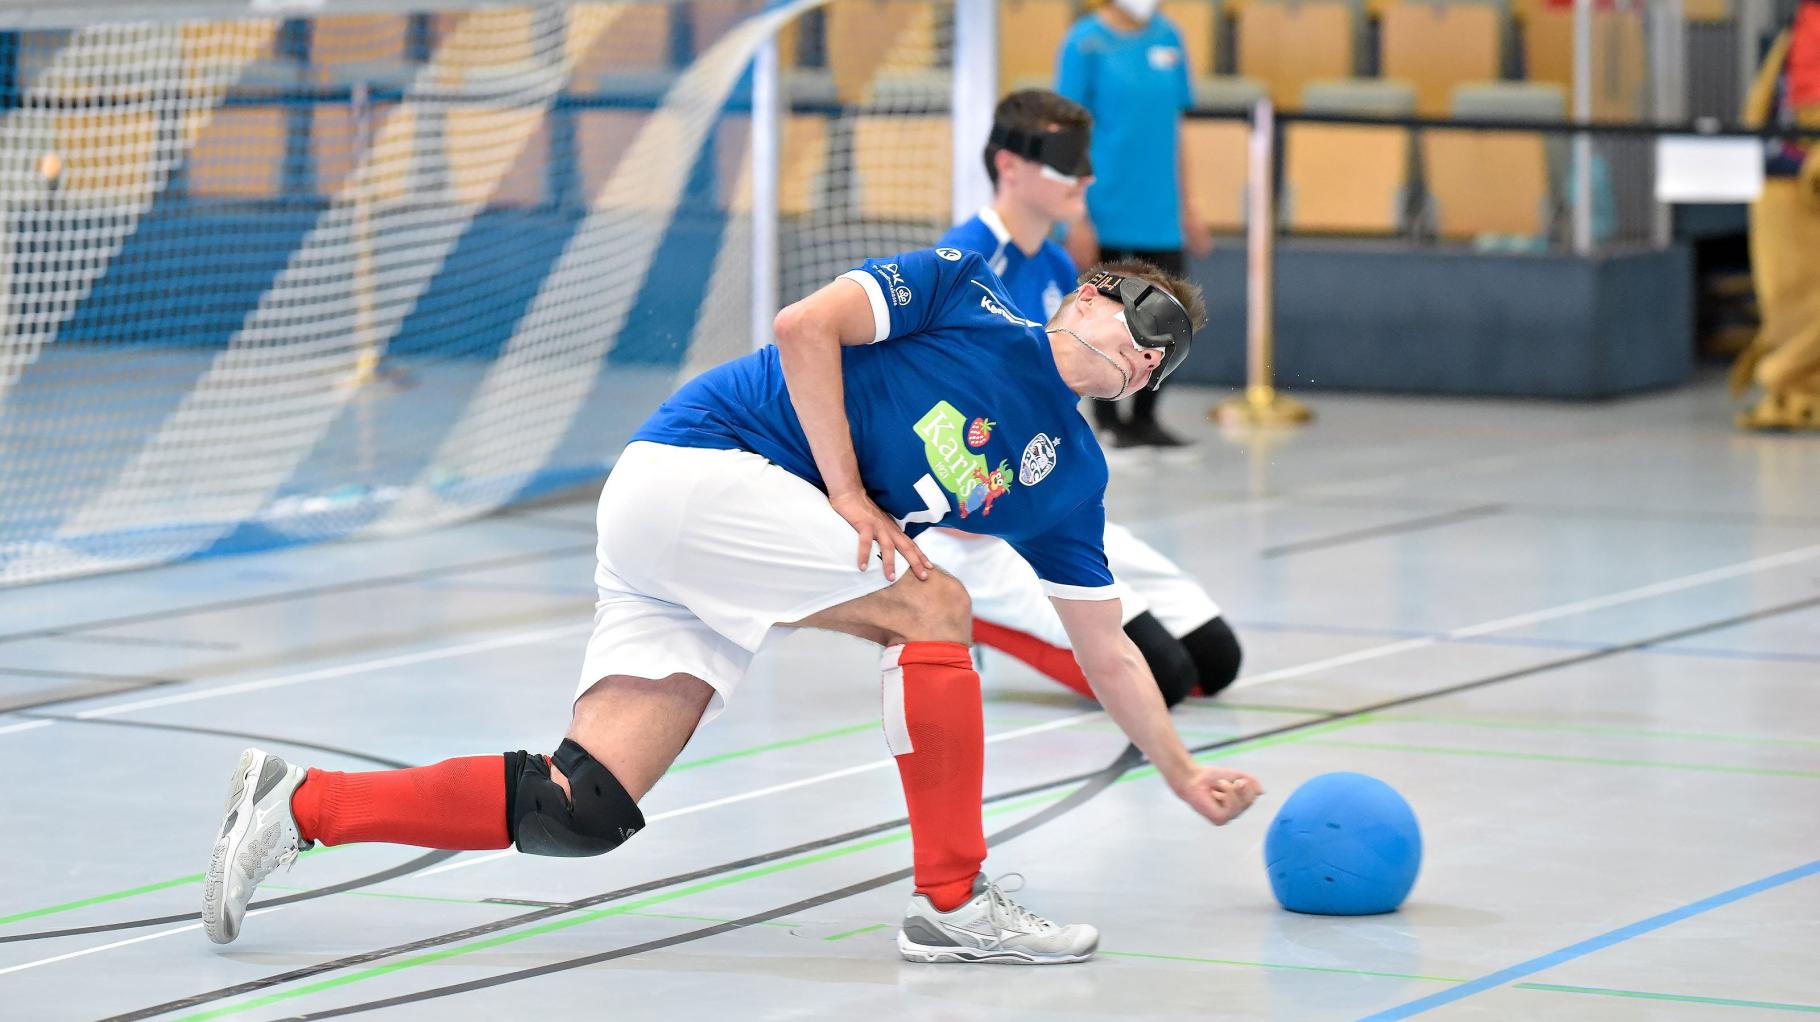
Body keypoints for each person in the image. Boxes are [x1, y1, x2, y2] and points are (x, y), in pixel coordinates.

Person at [201, 246, 1263, 966]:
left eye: (1162, 351)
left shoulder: (1068, 471)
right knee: (932, 605)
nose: (1143, 349)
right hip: (703, 468)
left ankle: (299, 806)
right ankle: (950, 901)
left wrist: (1180, 771)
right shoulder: (962, 293)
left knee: (581, 808)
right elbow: (805, 326)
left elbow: (1109, 650)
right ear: (1081, 297)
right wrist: (847, 493)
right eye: (1137, 318)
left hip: (717, 543)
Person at [926, 89, 1242, 706]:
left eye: (1084, 157)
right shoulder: (964, 258)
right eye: (1063, 157)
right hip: (966, 533)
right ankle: (958, 606)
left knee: (1215, 659)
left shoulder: (1052, 266)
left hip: (1037, 508)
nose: (1085, 174)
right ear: (1010, 165)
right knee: (1165, 679)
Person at [1057, 0, 1212, 451]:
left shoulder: (1170, 38)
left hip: (1160, 212)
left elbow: (1174, 129)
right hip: (1106, 208)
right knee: (1109, 318)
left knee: (1167, 320)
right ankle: (1106, 419)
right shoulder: (1084, 42)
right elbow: (1069, 134)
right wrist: (1076, 216)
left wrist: (1190, 206)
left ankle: (1146, 418)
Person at [1730, 0, 1820, 430]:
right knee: (1790, 305)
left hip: (1800, 184)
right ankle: (1791, 383)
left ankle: (1790, 379)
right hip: (1783, 182)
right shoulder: (1802, 26)